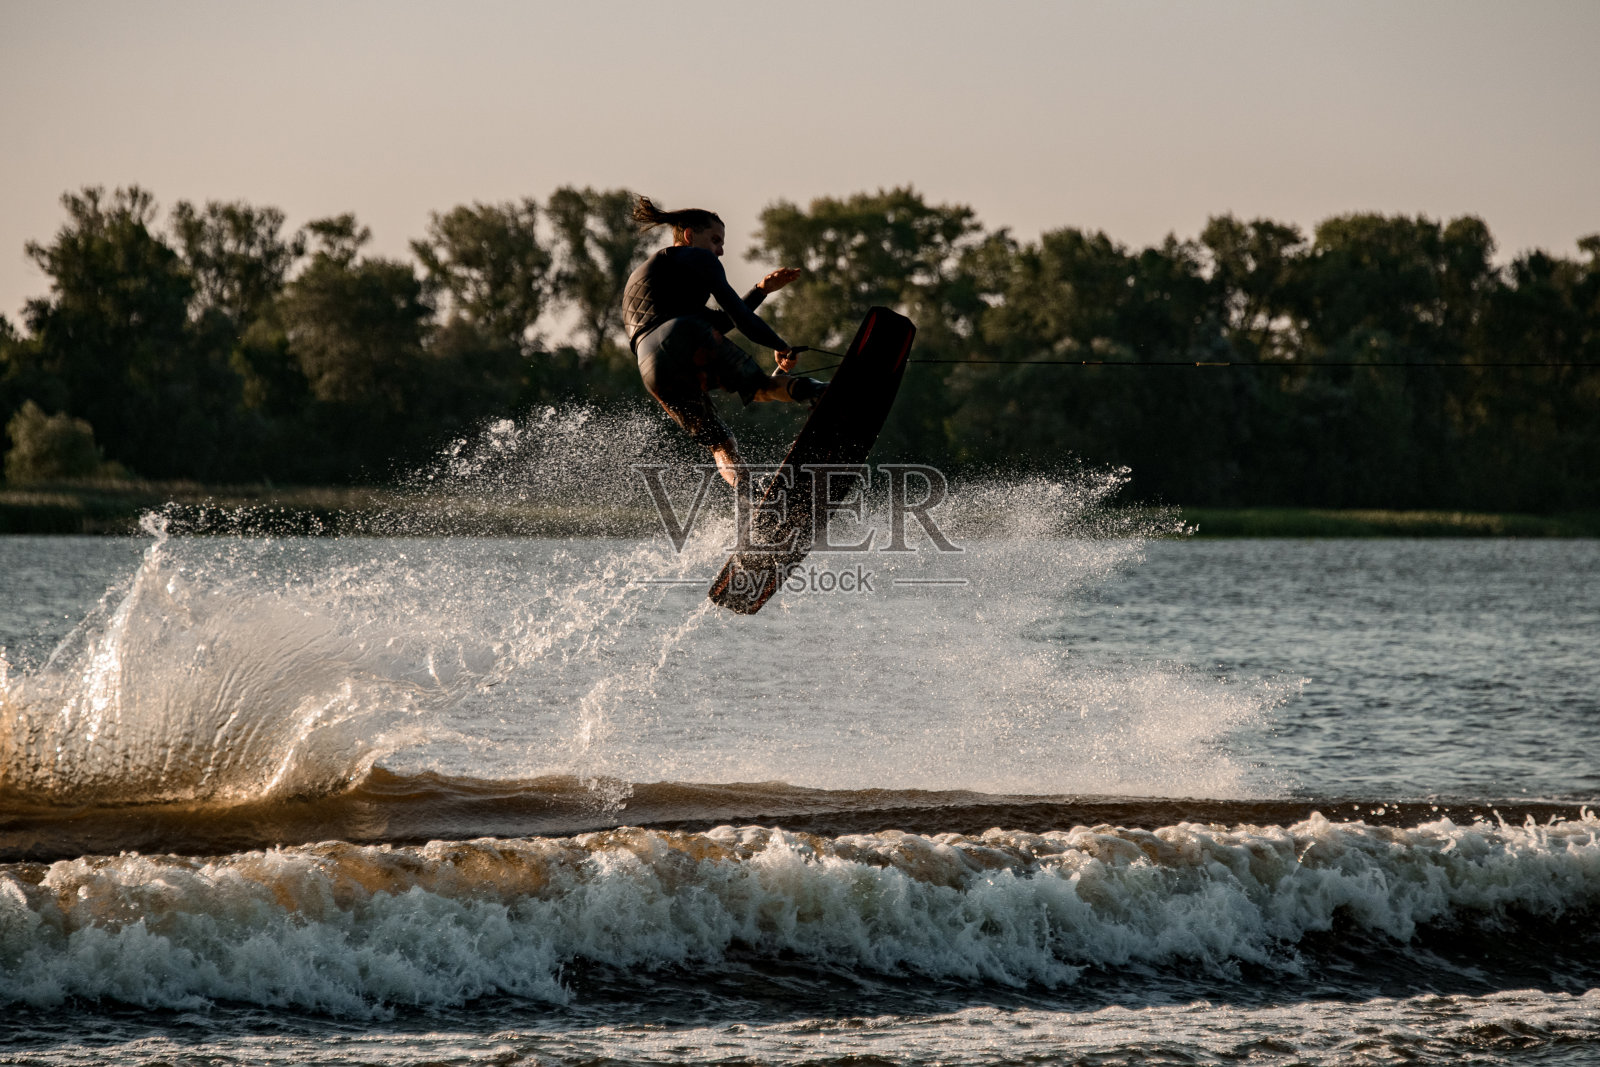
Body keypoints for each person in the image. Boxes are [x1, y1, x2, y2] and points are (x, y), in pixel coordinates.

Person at [622, 196, 826, 487]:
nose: (719, 251)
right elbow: (738, 316)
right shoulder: (697, 256)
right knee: (760, 387)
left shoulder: (648, 275)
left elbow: (718, 322)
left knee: (721, 444)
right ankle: (822, 394)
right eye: (715, 240)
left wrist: (760, 290)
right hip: (683, 334)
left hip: (651, 367)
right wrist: (781, 345)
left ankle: (752, 499)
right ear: (690, 236)